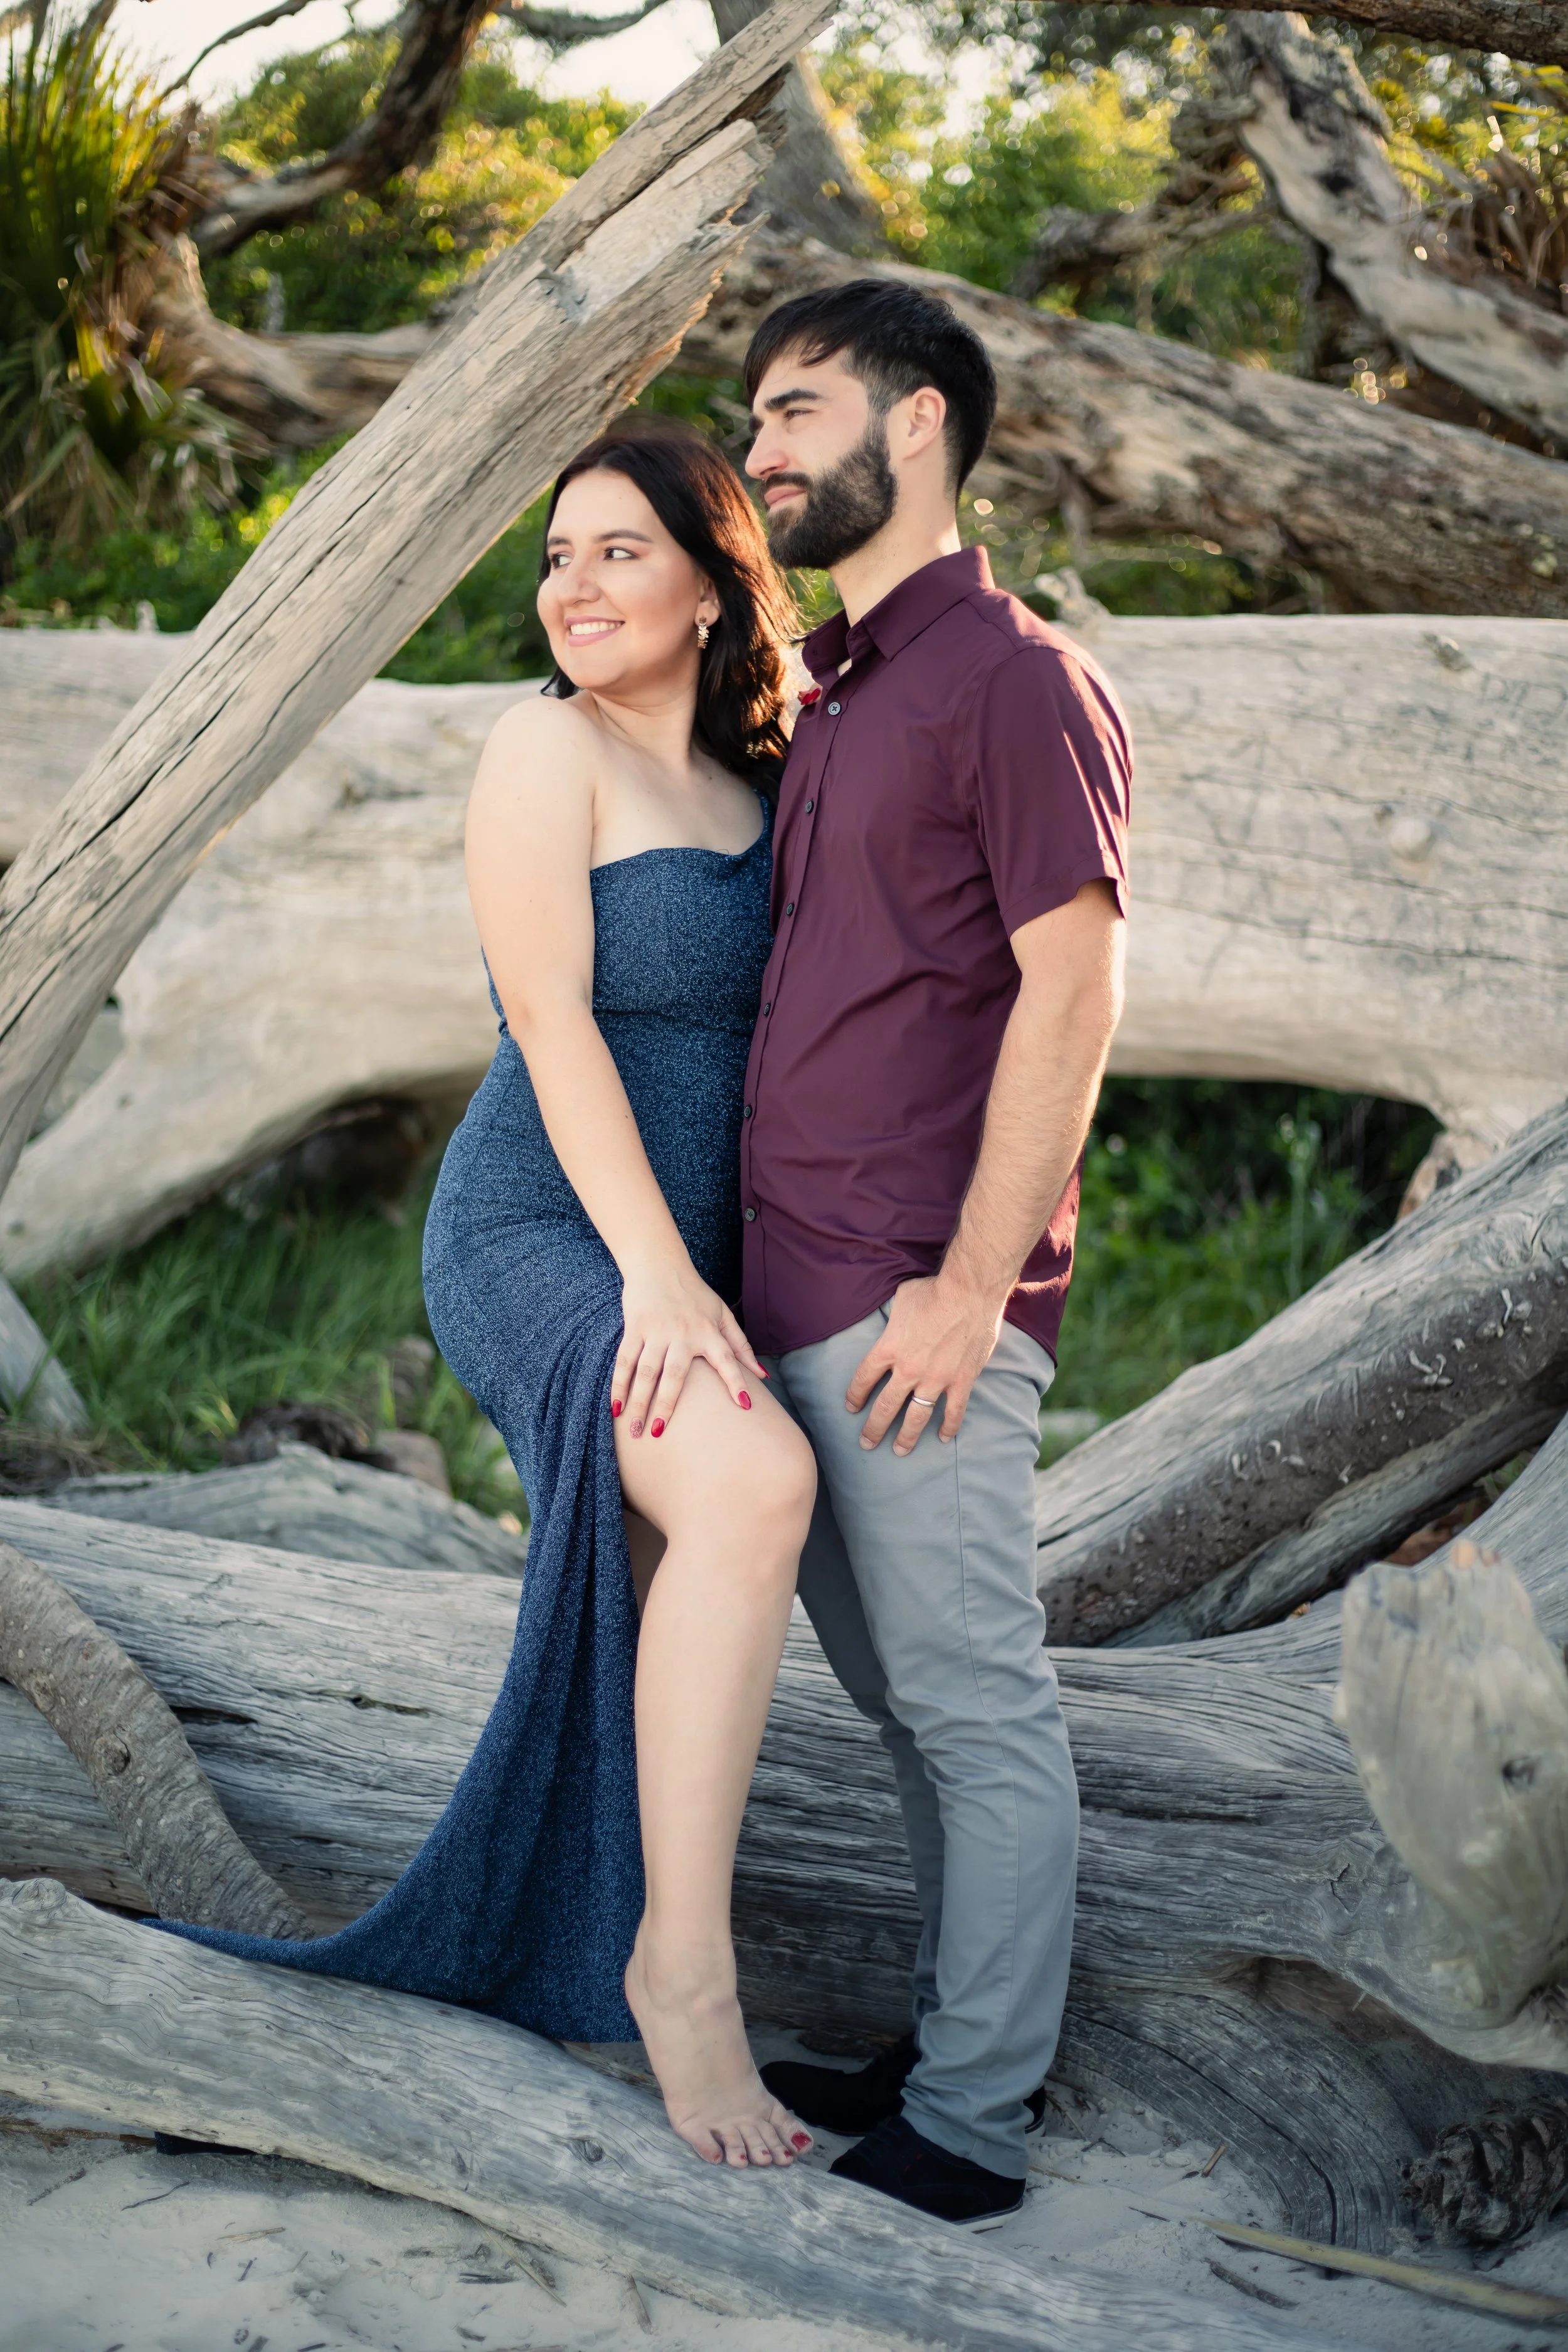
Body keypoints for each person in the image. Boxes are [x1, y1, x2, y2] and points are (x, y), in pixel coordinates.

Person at [154, 421, 817, 2175]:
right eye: (557, 555)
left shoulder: (771, 778)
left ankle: (640, 1924)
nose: (574, 585)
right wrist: (664, 1283)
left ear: (706, 580)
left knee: (704, 1541)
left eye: (616, 550)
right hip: (541, 1227)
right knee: (753, 1482)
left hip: (699, 1251)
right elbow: (554, 1028)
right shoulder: (541, 749)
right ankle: (682, 1970)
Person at [739, 280, 1132, 2225]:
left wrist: (974, 1286)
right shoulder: (838, 688)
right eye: (750, 422)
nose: (761, 453)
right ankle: (942, 2038)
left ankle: (973, 2121)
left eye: (795, 408)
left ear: (915, 424)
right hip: (792, 1297)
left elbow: (1073, 987)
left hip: (918, 1307)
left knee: (974, 1706)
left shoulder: (1010, 674)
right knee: (904, 1711)